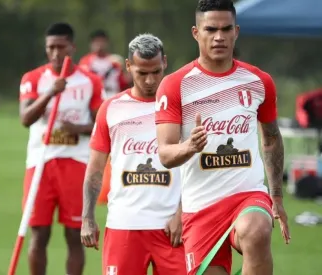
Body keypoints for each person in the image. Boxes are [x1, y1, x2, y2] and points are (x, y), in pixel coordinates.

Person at [154, 1, 290, 275]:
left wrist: (275, 195)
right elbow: (165, 155)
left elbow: (272, 138)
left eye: (226, 29)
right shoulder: (175, 85)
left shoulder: (258, 81)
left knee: (257, 230)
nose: (219, 36)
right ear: (196, 33)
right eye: (211, 29)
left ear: (236, 31)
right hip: (201, 206)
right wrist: (190, 146)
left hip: (247, 194)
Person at [81, 34, 186, 275]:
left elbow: (194, 167)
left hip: (172, 228)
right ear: (128, 67)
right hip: (124, 226)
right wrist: (87, 217)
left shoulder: (181, 107)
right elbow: (95, 169)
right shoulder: (111, 109)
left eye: (156, 72)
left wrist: (181, 213)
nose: (150, 80)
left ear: (165, 63)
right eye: (141, 73)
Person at [19, 22, 104, 275]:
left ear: (72, 47)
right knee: (39, 234)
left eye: (61, 47)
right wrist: (50, 94)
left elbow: (102, 124)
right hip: (40, 164)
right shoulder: (33, 78)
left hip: (76, 163)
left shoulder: (90, 81)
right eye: (51, 48)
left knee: (75, 235)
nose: (56, 53)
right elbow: (25, 118)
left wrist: (77, 129)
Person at [79, 30, 129, 99]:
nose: (100, 44)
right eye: (96, 42)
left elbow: (123, 83)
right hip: (93, 98)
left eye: (102, 41)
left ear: (107, 43)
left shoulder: (115, 61)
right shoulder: (86, 61)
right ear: (91, 44)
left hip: (113, 97)